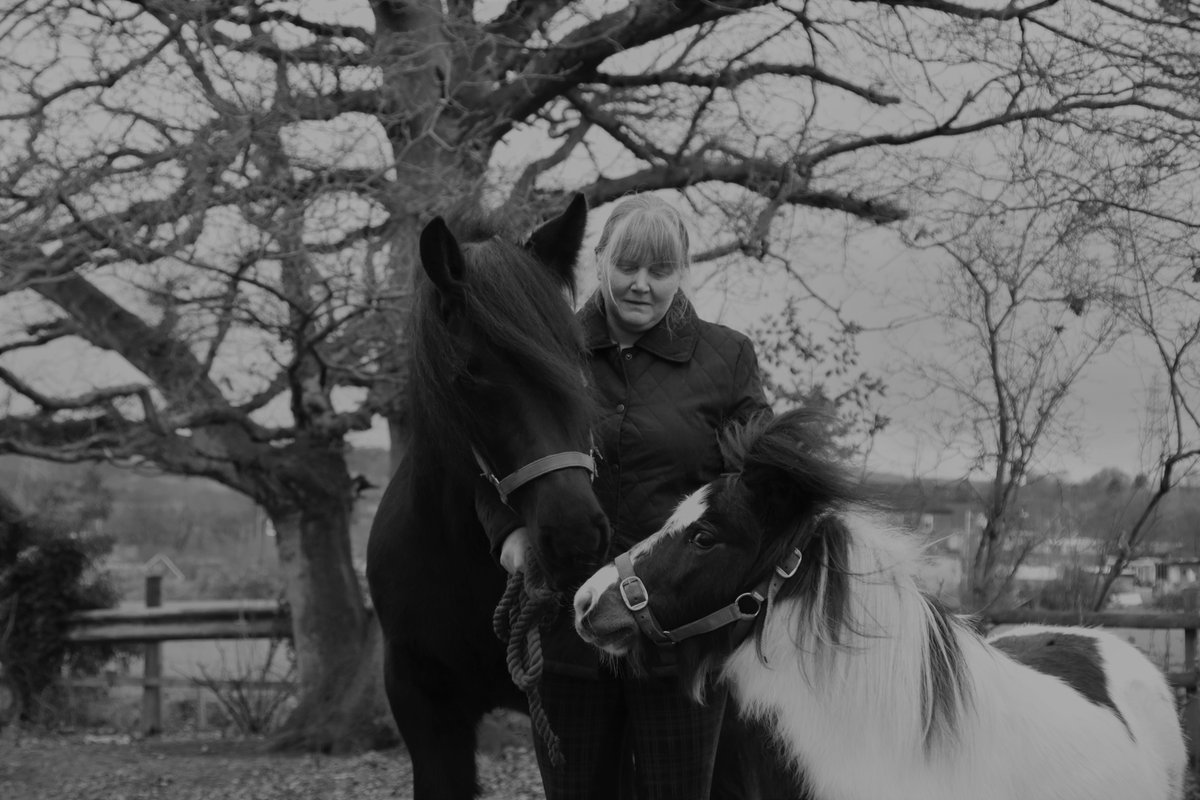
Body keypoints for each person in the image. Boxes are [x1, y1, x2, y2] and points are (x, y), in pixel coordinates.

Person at [477, 193, 770, 800]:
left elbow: (756, 484)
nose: (641, 285)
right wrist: (507, 534)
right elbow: (485, 447)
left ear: (681, 272)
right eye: (626, 267)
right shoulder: (544, 345)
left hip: (679, 640)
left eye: (660, 271)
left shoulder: (729, 358)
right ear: (601, 260)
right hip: (566, 626)